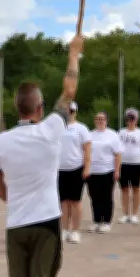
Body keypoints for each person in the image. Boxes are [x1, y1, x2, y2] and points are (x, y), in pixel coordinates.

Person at [0, 34, 84, 277]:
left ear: (17, 108)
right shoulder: (51, 129)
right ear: (39, 108)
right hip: (44, 221)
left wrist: (12, 201)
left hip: (16, 222)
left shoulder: (0, 141)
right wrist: (74, 54)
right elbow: (69, 91)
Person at [57, 102, 91, 244]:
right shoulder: (58, 128)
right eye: (67, 110)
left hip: (76, 168)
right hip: (60, 169)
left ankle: (76, 231)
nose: (69, 112)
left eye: (71, 110)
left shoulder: (81, 128)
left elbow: (87, 149)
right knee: (64, 202)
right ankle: (65, 230)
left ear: (75, 112)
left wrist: (87, 167)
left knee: (75, 202)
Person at [86, 112, 122, 233]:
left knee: (106, 197)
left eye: (102, 119)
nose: (100, 121)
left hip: (107, 171)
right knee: (94, 197)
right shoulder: (90, 135)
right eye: (98, 119)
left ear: (106, 120)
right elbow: (85, 152)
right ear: (95, 121)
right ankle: (96, 221)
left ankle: (106, 221)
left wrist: (117, 170)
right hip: (92, 171)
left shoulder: (112, 135)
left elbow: (118, 154)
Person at [118, 108, 140, 224]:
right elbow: (117, 149)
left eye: (133, 118)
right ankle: (126, 214)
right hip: (123, 164)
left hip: (136, 163)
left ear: (136, 120)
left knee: (136, 188)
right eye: (128, 118)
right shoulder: (121, 132)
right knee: (124, 189)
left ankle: (135, 214)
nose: (130, 121)